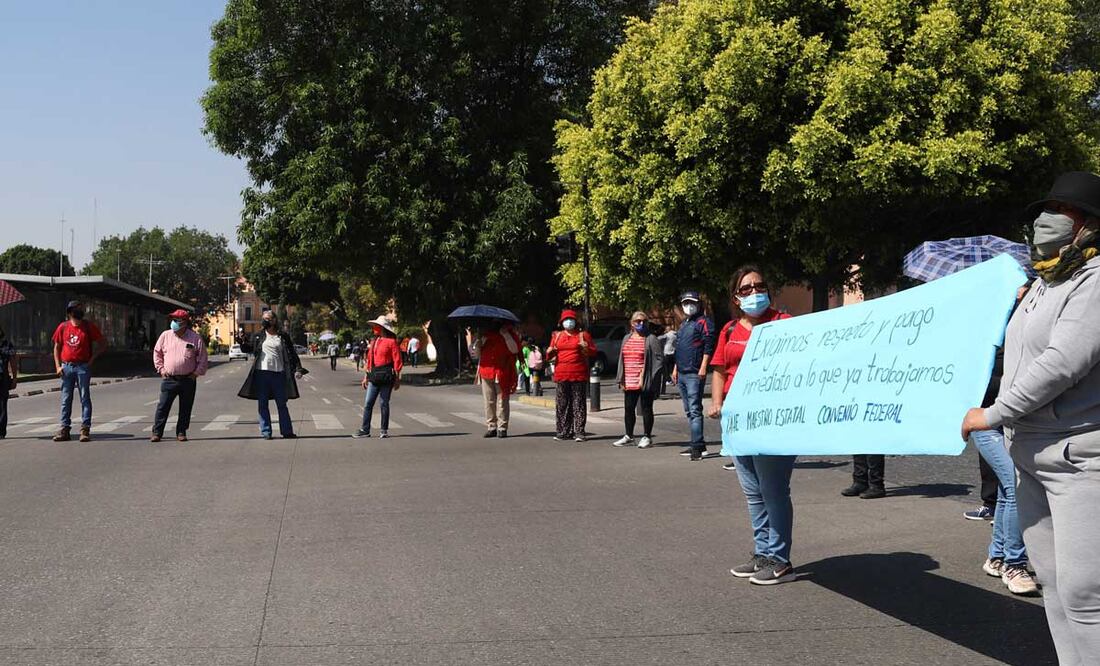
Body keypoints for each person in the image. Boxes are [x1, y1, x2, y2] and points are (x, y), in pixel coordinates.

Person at [962, 171, 1100, 663]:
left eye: (1062, 212)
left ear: (1087, 226)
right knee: (1055, 588)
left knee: (1087, 597)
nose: (1046, 220)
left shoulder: (1095, 280)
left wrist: (994, 414)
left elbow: (1062, 363)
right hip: (1030, 456)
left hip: (1080, 459)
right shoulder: (1042, 284)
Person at [707, 267, 797, 585]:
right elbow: (719, 369)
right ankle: (762, 553)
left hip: (772, 421)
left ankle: (780, 558)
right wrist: (717, 403)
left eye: (759, 285)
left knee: (773, 491)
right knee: (754, 493)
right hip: (738, 421)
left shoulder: (784, 324)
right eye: (746, 288)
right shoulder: (730, 329)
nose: (754, 291)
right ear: (736, 296)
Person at [972, 342, 1037, 595]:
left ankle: (996, 557)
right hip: (986, 423)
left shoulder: (1023, 326)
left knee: (1005, 490)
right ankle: (1014, 564)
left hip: (1011, 422)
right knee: (1015, 484)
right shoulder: (985, 339)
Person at [237, 310, 304, 440]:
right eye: (263, 318)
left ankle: (287, 431)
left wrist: (298, 368)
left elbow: (292, 353)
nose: (265, 321)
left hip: (279, 374)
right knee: (262, 404)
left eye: (267, 318)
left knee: (282, 403)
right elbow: (248, 348)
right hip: (261, 373)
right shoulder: (259, 336)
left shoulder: (282, 336)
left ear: (274, 320)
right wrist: (242, 341)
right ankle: (266, 432)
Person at [51, 300, 107, 442]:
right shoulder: (63, 327)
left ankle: (85, 429)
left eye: (81, 309)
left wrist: (91, 360)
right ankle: (65, 429)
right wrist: (58, 366)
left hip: (83, 367)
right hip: (67, 367)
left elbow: (102, 343)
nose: (79, 311)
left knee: (84, 397)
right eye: (76, 309)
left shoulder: (88, 327)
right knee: (66, 399)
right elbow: (57, 347)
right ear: (70, 312)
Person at [150, 309, 209, 443]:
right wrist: (161, 369)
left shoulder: (195, 338)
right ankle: (157, 432)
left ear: (184, 322)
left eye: (177, 320)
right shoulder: (165, 335)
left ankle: (181, 432)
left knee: (185, 407)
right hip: (169, 378)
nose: (174, 323)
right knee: (163, 406)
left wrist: (196, 374)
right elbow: (157, 353)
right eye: (173, 320)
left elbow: (203, 358)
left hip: (188, 379)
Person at [672, 291, 715, 460]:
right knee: (689, 410)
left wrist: (703, 367)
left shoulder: (704, 322)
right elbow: (679, 348)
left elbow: (708, 344)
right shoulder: (684, 324)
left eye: (691, 302)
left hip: (694, 373)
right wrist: (675, 368)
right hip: (682, 372)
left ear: (698, 303)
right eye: (685, 303)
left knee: (695, 410)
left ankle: (696, 447)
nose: (688, 306)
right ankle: (698, 443)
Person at [613, 311, 663, 449]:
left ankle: (647, 436)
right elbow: (621, 359)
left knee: (646, 408)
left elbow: (659, 361)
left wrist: (648, 376)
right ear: (632, 323)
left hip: (644, 380)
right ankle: (629, 435)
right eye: (637, 321)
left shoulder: (651, 339)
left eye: (643, 321)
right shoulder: (626, 338)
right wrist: (621, 378)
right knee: (629, 408)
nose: (641, 324)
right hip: (629, 379)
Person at [546, 310, 595, 442]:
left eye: (571, 319)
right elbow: (549, 354)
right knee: (562, 404)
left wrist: (586, 347)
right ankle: (563, 431)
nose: (569, 322)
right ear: (561, 322)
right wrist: (550, 351)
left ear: (576, 321)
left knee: (578, 403)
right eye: (566, 320)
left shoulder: (583, 335)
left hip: (578, 374)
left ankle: (579, 431)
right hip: (561, 374)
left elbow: (593, 352)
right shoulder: (557, 336)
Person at [353, 316, 402, 439]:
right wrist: (366, 377)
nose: (374, 329)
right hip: (374, 377)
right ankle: (365, 429)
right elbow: (370, 362)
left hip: (386, 376)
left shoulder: (391, 342)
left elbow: (397, 361)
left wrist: (397, 379)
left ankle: (384, 430)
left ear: (382, 328)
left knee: (384, 403)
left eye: (376, 326)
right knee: (368, 403)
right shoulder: (374, 343)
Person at [472, 320, 521, 438]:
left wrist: (505, 335)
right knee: (489, 400)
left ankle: (502, 427)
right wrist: (478, 343)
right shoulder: (484, 336)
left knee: (502, 400)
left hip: (502, 371)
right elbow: (477, 354)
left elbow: (515, 350)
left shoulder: (509, 335)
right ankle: (491, 426)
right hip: (486, 371)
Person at [0, 325, 17, 439]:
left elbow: (13, 362)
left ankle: (1, 431)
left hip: (3, 377)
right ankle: (1, 432)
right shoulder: (7, 344)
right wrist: (15, 378)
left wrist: (15, 378)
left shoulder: (7, 344)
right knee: (2, 404)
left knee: (2, 404)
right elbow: (13, 362)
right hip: (3, 377)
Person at [660, 325, 677, 395]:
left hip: (667, 353)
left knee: (666, 368)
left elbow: (659, 338)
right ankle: (674, 380)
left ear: (667, 329)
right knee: (672, 368)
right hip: (674, 352)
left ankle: (669, 380)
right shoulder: (676, 334)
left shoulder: (667, 335)